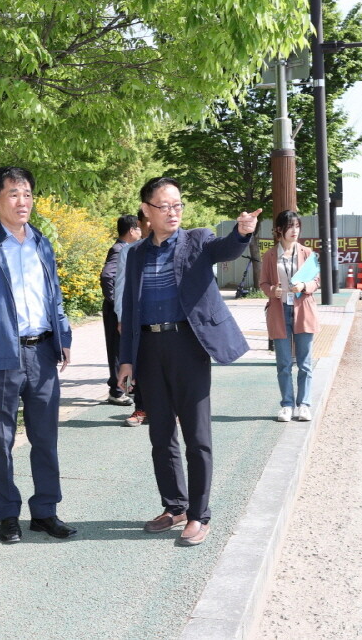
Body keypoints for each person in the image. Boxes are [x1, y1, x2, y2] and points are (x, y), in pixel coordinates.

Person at [117, 176, 261, 546]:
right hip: (149, 347)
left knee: (197, 435)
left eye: (177, 205)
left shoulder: (198, 240)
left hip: (188, 344)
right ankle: (175, 507)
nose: (173, 212)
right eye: (164, 206)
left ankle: (199, 515)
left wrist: (242, 232)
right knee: (160, 434)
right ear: (147, 210)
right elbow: (130, 309)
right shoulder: (136, 254)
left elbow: (225, 249)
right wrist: (126, 360)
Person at [0, 166, 76, 544]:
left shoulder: (42, 244)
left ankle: (45, 511)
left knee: (45, 438)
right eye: (13, 194)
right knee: (1, 441)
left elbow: (54, 296)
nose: (22, 202)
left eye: (27, 194)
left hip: (42, 355)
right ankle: (8, 514)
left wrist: (64, 336)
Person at [259, 210, 319, 422]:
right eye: (290, 226)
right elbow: (263, 283)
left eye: (297, 226)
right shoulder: (270, 255)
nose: (295, 230)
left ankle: (304, 405)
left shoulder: (307, 253)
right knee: (283, 363)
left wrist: (304, 286)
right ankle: (286, 405)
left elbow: (316, 281)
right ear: (279, 229)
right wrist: (272, 291)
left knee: (305, 363)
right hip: (279, 311)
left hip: (303, 310)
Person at [113, 207, 150, 427]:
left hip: (170, 320)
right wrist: (121, 318)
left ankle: (170, 409)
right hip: (138, 319)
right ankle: (141, 408)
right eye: (147, 220)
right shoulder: (130, 251)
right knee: (140, 364)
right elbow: (121, 287)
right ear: (140, 224)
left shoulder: (176, 248)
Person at [99, 215, 141, 407]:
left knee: (121, 349)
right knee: (117, 350)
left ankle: (122, 387)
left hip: (117, 308)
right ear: (131, 230)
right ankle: (116, 392)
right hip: (115, 310)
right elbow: (107, 276)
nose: (141, 232)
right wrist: (118, 304)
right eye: (138, 228)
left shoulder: (124, 248)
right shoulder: (119, 250)